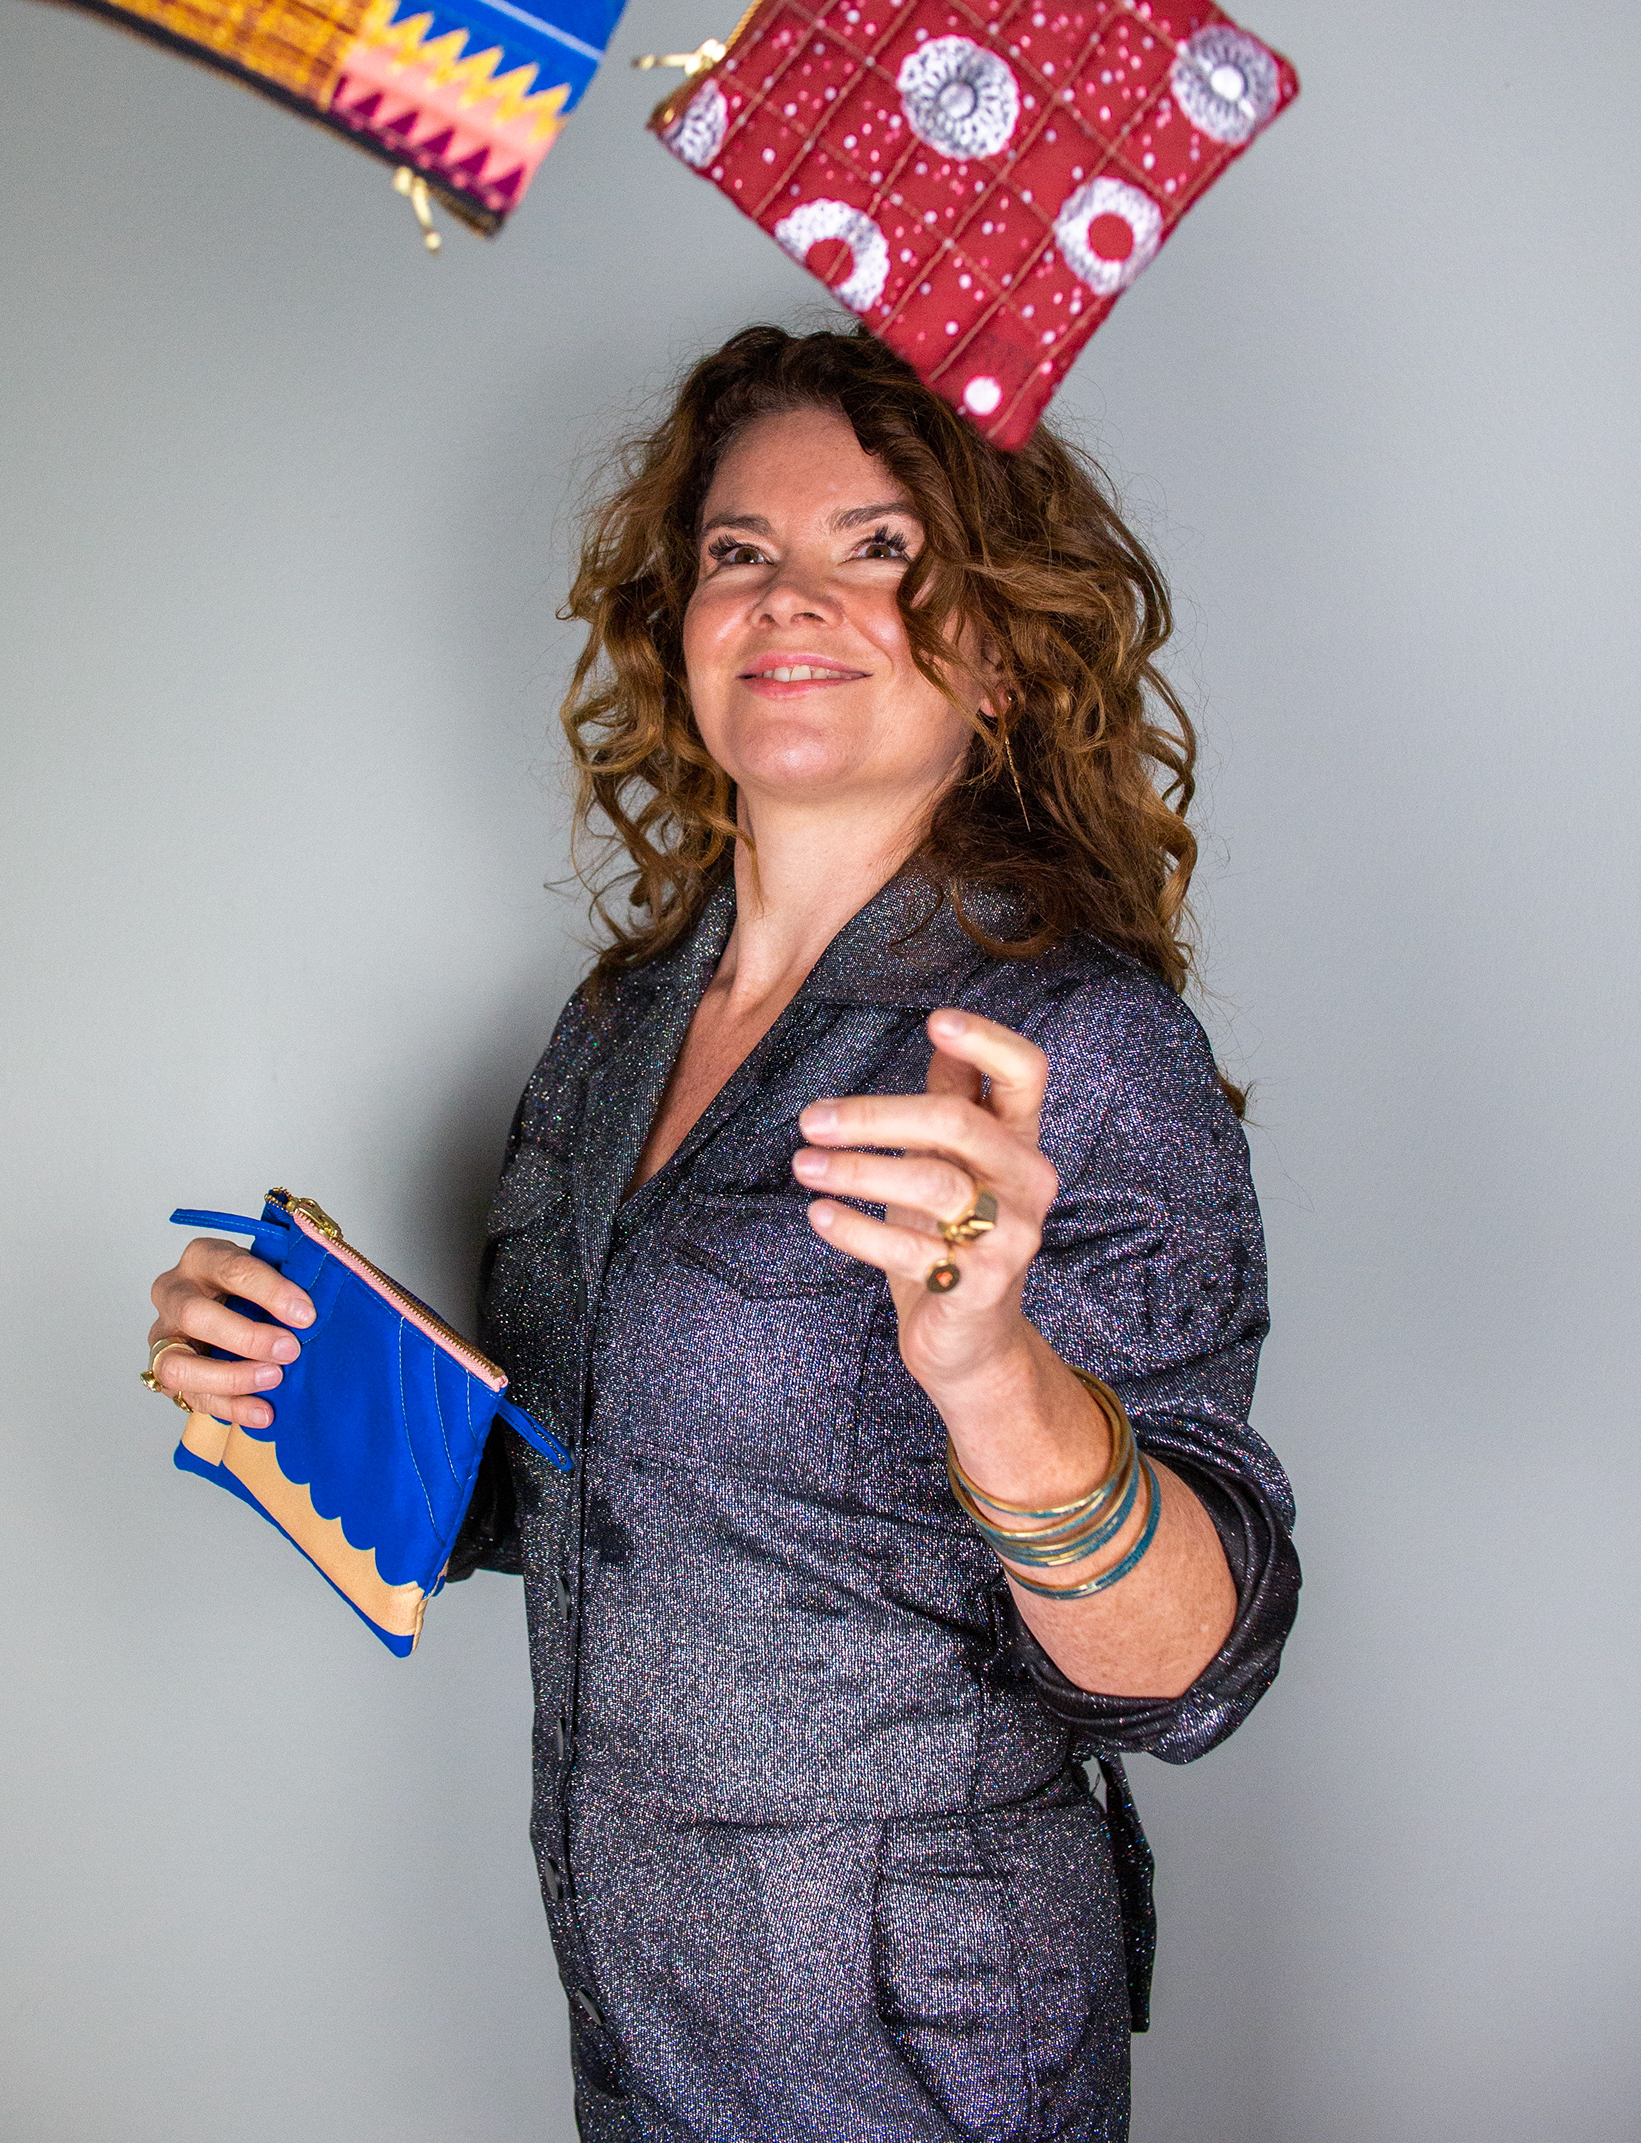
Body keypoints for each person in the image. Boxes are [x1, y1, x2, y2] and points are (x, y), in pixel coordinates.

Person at [147, 325, 1299, 2141]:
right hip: (635, 2011)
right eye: (739, 551)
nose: (790, 598)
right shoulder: (621, 1026)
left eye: (881, 549)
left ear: (1002, 652)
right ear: (679, 629)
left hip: (921, 2048)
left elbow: (1183, 1670)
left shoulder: (1069, 1042)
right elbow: (599, 1492)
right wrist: (301, 1376)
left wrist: (988, 1370)